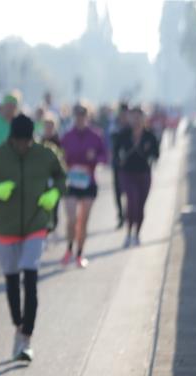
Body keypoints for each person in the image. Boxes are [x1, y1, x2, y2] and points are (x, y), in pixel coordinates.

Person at [0, 114, 65, 363]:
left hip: (36, 223)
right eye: (19, 141)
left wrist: (54, 193)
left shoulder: (46, 154)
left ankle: (27, 337)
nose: (23, 146)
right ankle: (18, 325)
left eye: (27, 141)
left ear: (32, 138)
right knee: (12, 281)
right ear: (12, 138)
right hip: (6, 226)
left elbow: (61, 177)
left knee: (30, 276)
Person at [59, 103, 108, 268]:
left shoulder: (96, 136)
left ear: (88, 116)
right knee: (71, 219)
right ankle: (68, 249)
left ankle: (80, 254)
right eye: (77, 115)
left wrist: (95, 157)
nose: (80, 118)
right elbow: (59, 157)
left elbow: (105, 157)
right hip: (71, 182)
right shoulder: (67, 136)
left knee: (83, 220)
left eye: (83, 115)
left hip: (88, 182)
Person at [114, 106, 160, 247]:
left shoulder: (149, 135)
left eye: (139, 117)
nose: (136, 120)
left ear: (143, 119)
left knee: (140, 206)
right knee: (131, 201)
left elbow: (156, 154)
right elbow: (115, 152)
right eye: (133, 117)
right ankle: (128, 233)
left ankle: (137, 234)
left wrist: (150, 157)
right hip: (127, 173)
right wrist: (119, 159)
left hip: (144, 174)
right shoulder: (124, 134)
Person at [109, 103, 129, 229]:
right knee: (117, 190)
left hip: (129, 164)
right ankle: (120, 214)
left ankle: (127, 212)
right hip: (117, 163)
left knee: (128, 189)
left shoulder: (131, 126)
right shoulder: (114, 125)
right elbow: (110, 141)